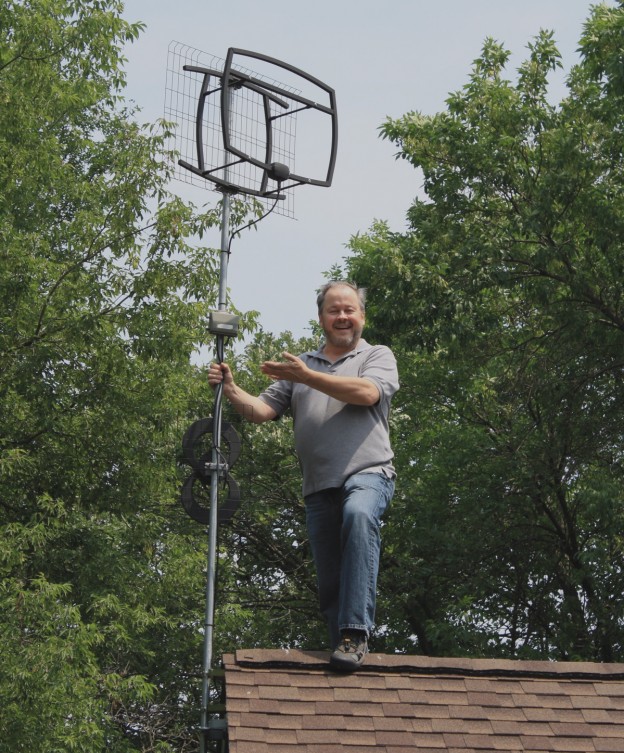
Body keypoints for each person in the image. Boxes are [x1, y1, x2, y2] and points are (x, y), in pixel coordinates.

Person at [207, 281, 399, 671]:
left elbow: (365, 394)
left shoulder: (376, 355)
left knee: (360, 517)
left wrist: (307, 377)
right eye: (334, 311)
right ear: (321, 318)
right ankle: (342, 647)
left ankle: (355, 632)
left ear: (361, 316)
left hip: (369, 473)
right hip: (318, 486)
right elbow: (261, 410)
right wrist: (230, 388)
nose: (342, 317)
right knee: (328, 578)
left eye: (349, 310)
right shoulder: (302, 366)